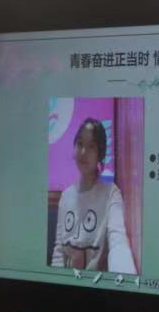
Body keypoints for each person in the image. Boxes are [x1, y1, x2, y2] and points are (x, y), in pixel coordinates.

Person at [51, 117, 137, 275]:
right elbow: (59, 252)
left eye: (91, 146)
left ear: (100, 154)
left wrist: (126, 280)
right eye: (80, 144)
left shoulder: (111, 193)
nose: (83, 152)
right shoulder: (66, 196)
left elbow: (118, 242)